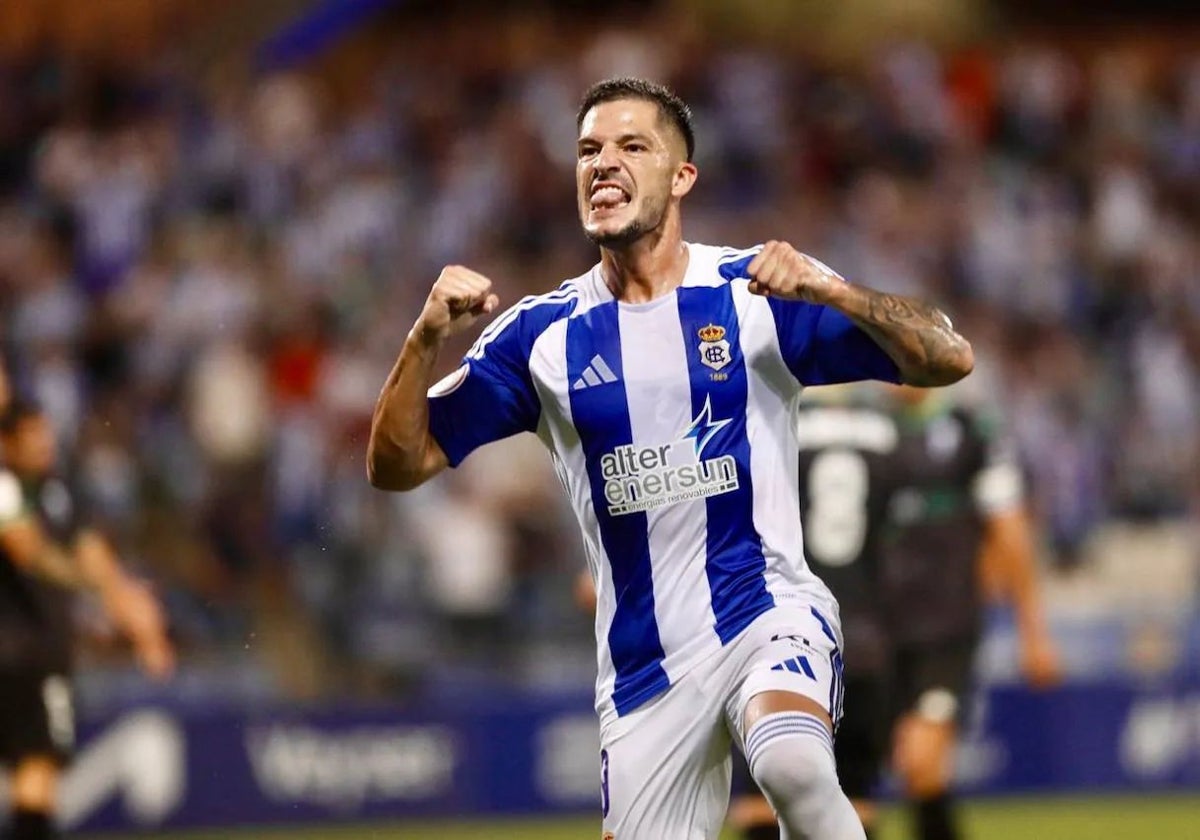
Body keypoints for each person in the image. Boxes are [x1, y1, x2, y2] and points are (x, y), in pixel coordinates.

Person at [367, 77, 973, 840]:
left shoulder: (752, 293)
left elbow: (948, 357)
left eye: (631, 146)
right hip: (644, 672)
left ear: (681, 176)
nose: (604, 164)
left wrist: (835, 291)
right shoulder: (541, 338)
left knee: (791, 762)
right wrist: (423, 341)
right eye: (588, 150)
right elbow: (397, 465)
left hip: (766, 613)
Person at [727, 385, 1060, 840]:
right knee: (840, 780)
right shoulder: (868, 426)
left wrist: (1032, 632)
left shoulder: (969, 429)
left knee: (921, 764)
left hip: (939, 630)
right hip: (870, 625)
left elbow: (1009, 530)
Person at [0, 399, 174, 840]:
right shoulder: (6, 487)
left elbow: (95, 557)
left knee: (35, 771)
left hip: (39, 650)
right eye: (31, 437)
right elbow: (28, 551)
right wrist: (93, 584)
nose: (44, 445)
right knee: (37, 768)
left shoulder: (56, 492)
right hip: (25, 653)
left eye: (46, 434)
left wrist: (136, 615)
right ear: (7, 443)